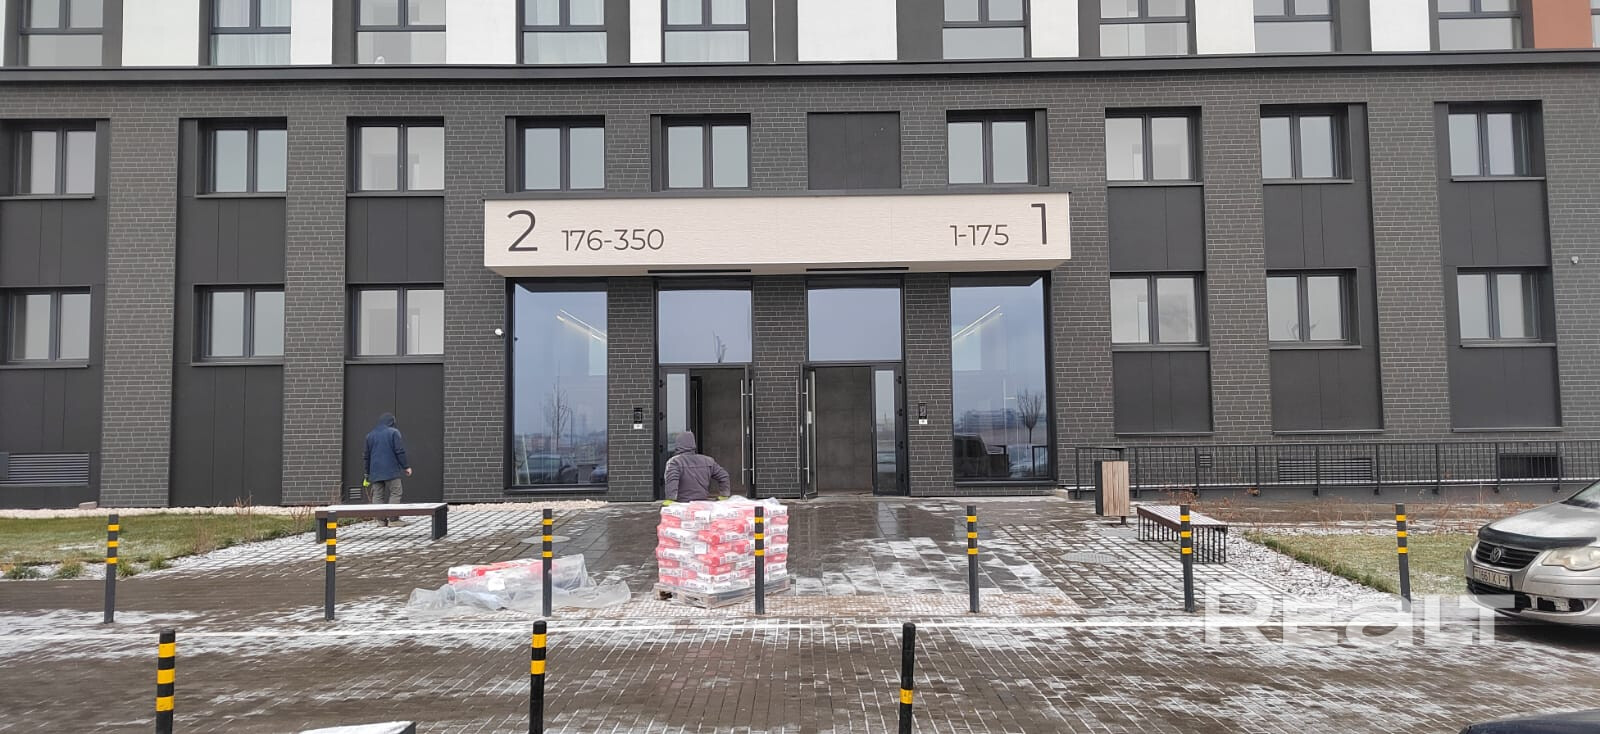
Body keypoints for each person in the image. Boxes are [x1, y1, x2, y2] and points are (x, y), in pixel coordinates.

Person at [362, 412, 412, 526]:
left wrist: (367, 473)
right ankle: (393, 520)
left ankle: (380, 520)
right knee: (396, 492)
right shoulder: (393, 432)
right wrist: (406, 466)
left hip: (375, 471)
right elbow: (399, 451)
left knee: (377, 495)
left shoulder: (370, 435)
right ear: (391, 422)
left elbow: (366, 456)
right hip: (391, 470)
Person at [662, 430, 730, 505]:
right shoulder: (708, 461)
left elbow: (672, 481)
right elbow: (724, 476)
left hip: (683, 505)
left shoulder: (674, 462)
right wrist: (724, 495)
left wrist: (670, 499)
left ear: (678, 445)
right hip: (702, 504)